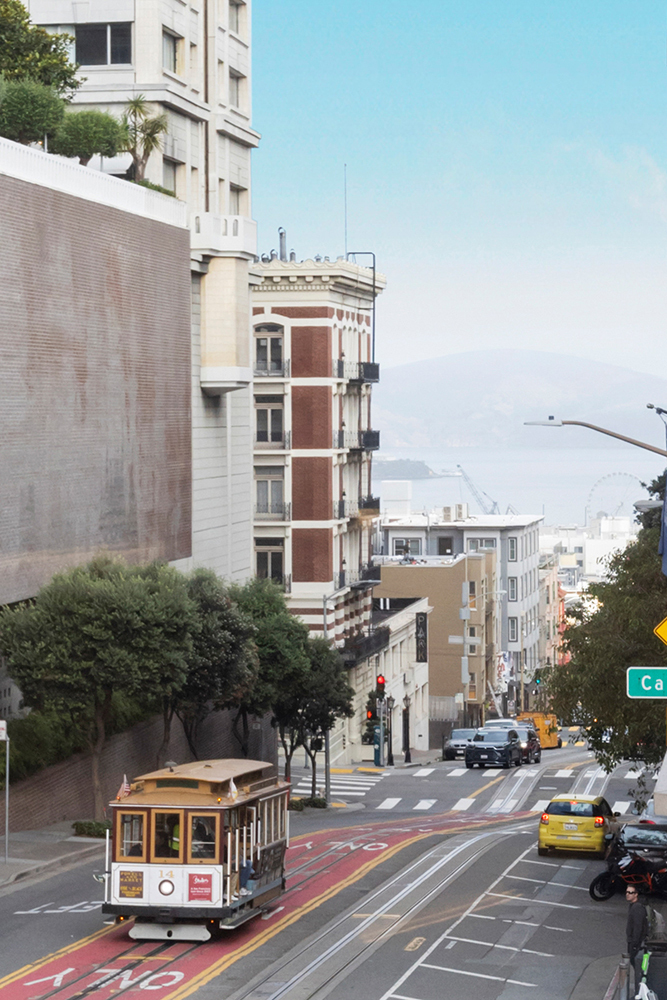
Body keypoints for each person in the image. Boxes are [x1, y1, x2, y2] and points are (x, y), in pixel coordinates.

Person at [626, 885, 648, 989]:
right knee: (636, 964)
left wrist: (634, 944)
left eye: (630, 893)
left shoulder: (637, 908)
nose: (627, 894)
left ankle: (640, 989)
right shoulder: (634, 906)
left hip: (636, 943)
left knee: (637, 965)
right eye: (627, 892)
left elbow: (638, 927)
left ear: (636, 894)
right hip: (635, 942)